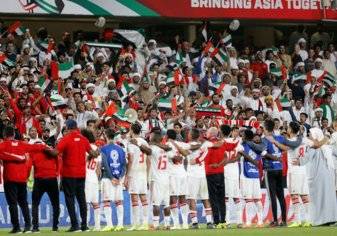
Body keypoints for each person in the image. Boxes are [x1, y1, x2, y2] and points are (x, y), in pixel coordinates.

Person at [0, 126, 52, 234]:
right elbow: (36, 148)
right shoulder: (22, 144)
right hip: (22, 179)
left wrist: (12, 157)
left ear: (4, 135)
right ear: (13, 135)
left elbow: (3, 155)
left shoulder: (2, 145)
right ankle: (28, 226)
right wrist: (47, 147)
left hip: (10, 178)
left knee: (13, 204)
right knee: (23, 203)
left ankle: (17, 228)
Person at [56, 119, 98, 232]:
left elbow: (56, 152)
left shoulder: (66, 139)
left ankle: (75, 225)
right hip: (81, 175)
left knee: (70, 199)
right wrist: (97, 151)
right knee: (81, 199)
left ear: (68, 128)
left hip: (69, 174)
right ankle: (84, 225)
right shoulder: (84, 139)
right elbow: (93, 154)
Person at [269, 122, 312, 227]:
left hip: (294, 170)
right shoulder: (304, 140)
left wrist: (274, 142)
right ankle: (308, 220)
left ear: (291, 130)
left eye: (288, 127)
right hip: (303, 169)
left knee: (294, 195)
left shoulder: (292, 141)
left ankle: (297, 220)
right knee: (304, 195)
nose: (287, 129)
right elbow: (311, 149)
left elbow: (286, 148)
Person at [300, 128, 337, 226]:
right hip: (328, 177)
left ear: (316, 135)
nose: (309, 136)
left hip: (316, 177)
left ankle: (319, 220)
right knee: (328, 197)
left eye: (310, 134)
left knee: (318, 199)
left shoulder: (313, 148)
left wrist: (298, 161)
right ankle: (331, 218)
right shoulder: (328, 147)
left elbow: (305, 159)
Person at [28, 128, 60, 233]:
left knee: (35, 203)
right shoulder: (50, 150)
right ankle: (55, 227)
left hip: (39, 179)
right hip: (51, 178)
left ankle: (35, 227)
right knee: (55, 204)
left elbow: (29, 165)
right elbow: (58, 161)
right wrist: (57, 173)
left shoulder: (33, 152)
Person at [186, 128, 214, 229]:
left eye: (189, 133)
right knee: (205, 198)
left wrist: (196, 160)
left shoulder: (188, 145)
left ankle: (194, 223)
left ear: (191, 135)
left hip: (192, 175)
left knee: (192, 199)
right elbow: (210, 149)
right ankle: (209, 222)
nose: (188, 134)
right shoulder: (205, 145)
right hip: (203, 174)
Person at [100, 128, 127, 232]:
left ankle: (110, 225)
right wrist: (120, 177)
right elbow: (124, 165)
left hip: (108, 178)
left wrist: (111, 178)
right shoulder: (120, 149)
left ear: (106, 136)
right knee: (119, 202)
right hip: (118, 179)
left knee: (106, 201)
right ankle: (120, 225)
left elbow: (105, 164)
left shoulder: (103, 149)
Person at [125, 123, 150, 231]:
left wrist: (127, 175)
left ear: (131, 130)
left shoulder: (131, 143)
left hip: (134, 172)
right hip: (143, 172)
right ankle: (145, 223)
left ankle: (136, 224)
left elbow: (130, 160)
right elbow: (148, 160)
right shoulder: (145, 142)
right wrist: (147, 174)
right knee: (143, 198)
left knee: (134, 198)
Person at [240, 130, 263, 228]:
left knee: (248, 200)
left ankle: (249, 222)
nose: (242, 136)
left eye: (243, 135)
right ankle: (260, 222)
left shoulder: (243, 145)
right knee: (257, 199)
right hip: (255, 174)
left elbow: (242, 153)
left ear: (246, 136)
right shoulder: (257, 146)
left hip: (246, 174)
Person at [81, 129, 101, 232]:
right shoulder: (96, 149)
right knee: (95, 203)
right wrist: (97, 179)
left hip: (87, 178)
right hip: (94, 179)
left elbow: (83, 162)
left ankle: (86, 225)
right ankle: (97, 226)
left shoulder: (85, 148)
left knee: (86, 203)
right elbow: (98, 168)